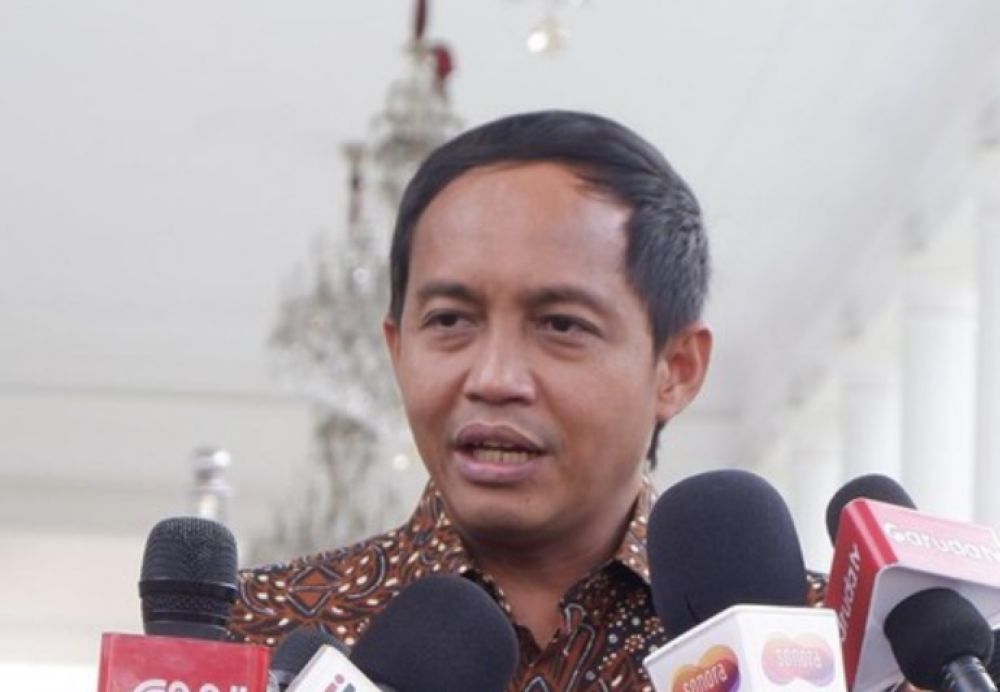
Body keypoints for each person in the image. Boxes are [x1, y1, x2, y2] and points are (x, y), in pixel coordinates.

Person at [229, 110, 714, 691]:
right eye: (450, 320)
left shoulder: (802, 648)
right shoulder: (248, 641)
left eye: (561, 325)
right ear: (398, 349)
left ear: (676, 370)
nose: (494, 378)